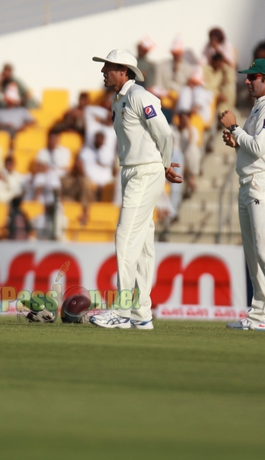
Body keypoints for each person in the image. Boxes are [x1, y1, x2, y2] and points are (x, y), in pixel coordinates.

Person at [87, 49, 180, 331]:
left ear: (124, 71)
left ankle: (122, 310)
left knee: (125, 237)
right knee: (142, 245)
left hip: (144, 172)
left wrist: (164, 164)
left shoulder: (140, 96)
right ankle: (141, 314)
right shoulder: (119, 101)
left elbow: (163, 132)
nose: (103, 72)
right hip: (132, 172)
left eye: (109, 67)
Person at [219, 58, 265, 332]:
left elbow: (260, 147)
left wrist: (235, 128)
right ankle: (259, 313)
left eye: (254, 77)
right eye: (248, 76)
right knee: (253, 252)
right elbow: (252, 148)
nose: (247, 81)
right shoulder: (260, 107)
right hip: (249, 183)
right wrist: (236, 143)